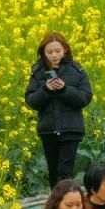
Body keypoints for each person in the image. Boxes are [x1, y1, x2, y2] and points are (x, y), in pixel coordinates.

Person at [24, 31, 93, 187]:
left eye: (57, 51)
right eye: (49, 52)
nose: (54, 55)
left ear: (65, 50)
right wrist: (46, 89)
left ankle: (65, 208)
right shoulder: (37, 72)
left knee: (64, 173)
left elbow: (85, 98)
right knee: (53, 173)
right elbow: (31, 101)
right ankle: (56, 208)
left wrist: (64, 89)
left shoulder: (76, 70)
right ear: (43, 52)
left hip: (71, 130)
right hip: (48, 130)